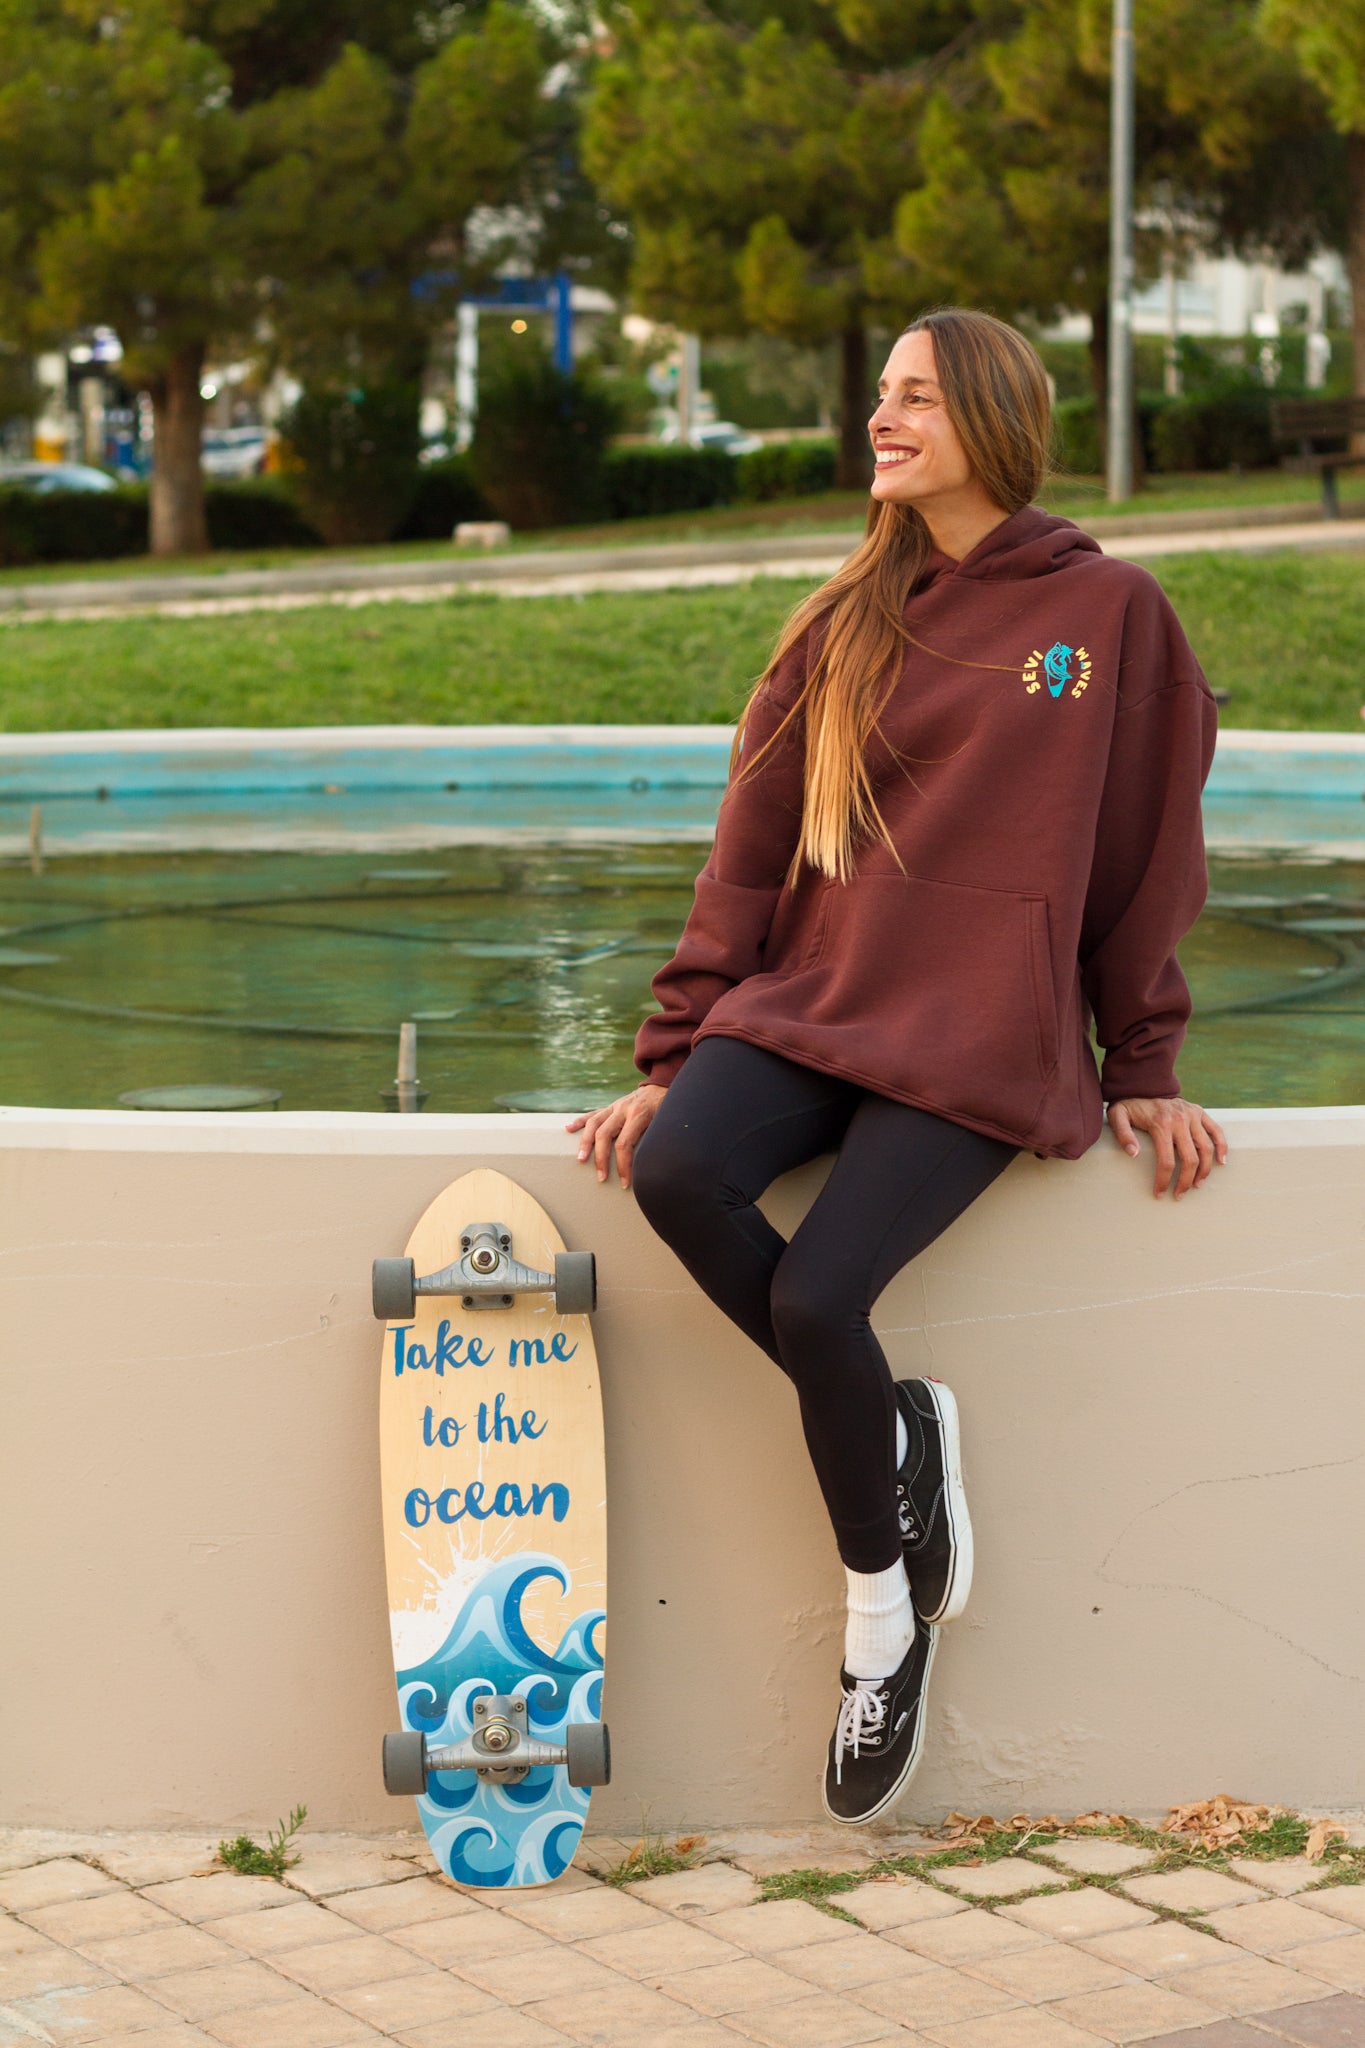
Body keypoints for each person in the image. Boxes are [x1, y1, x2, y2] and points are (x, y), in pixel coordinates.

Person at [566, 307, 1227, 1826]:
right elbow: (745, 853)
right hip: (814, 999)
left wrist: (1143, 1058)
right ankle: (896, 1427)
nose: (880, 418)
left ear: (990, 418)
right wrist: (673, 1050)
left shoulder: (1105, 614)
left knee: (815, 1297)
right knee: (676, 1169)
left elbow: (1145, 851)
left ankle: (881, 1627)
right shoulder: (839, 623)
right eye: (877, 395)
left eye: (912, 397)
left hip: (978, 1032)